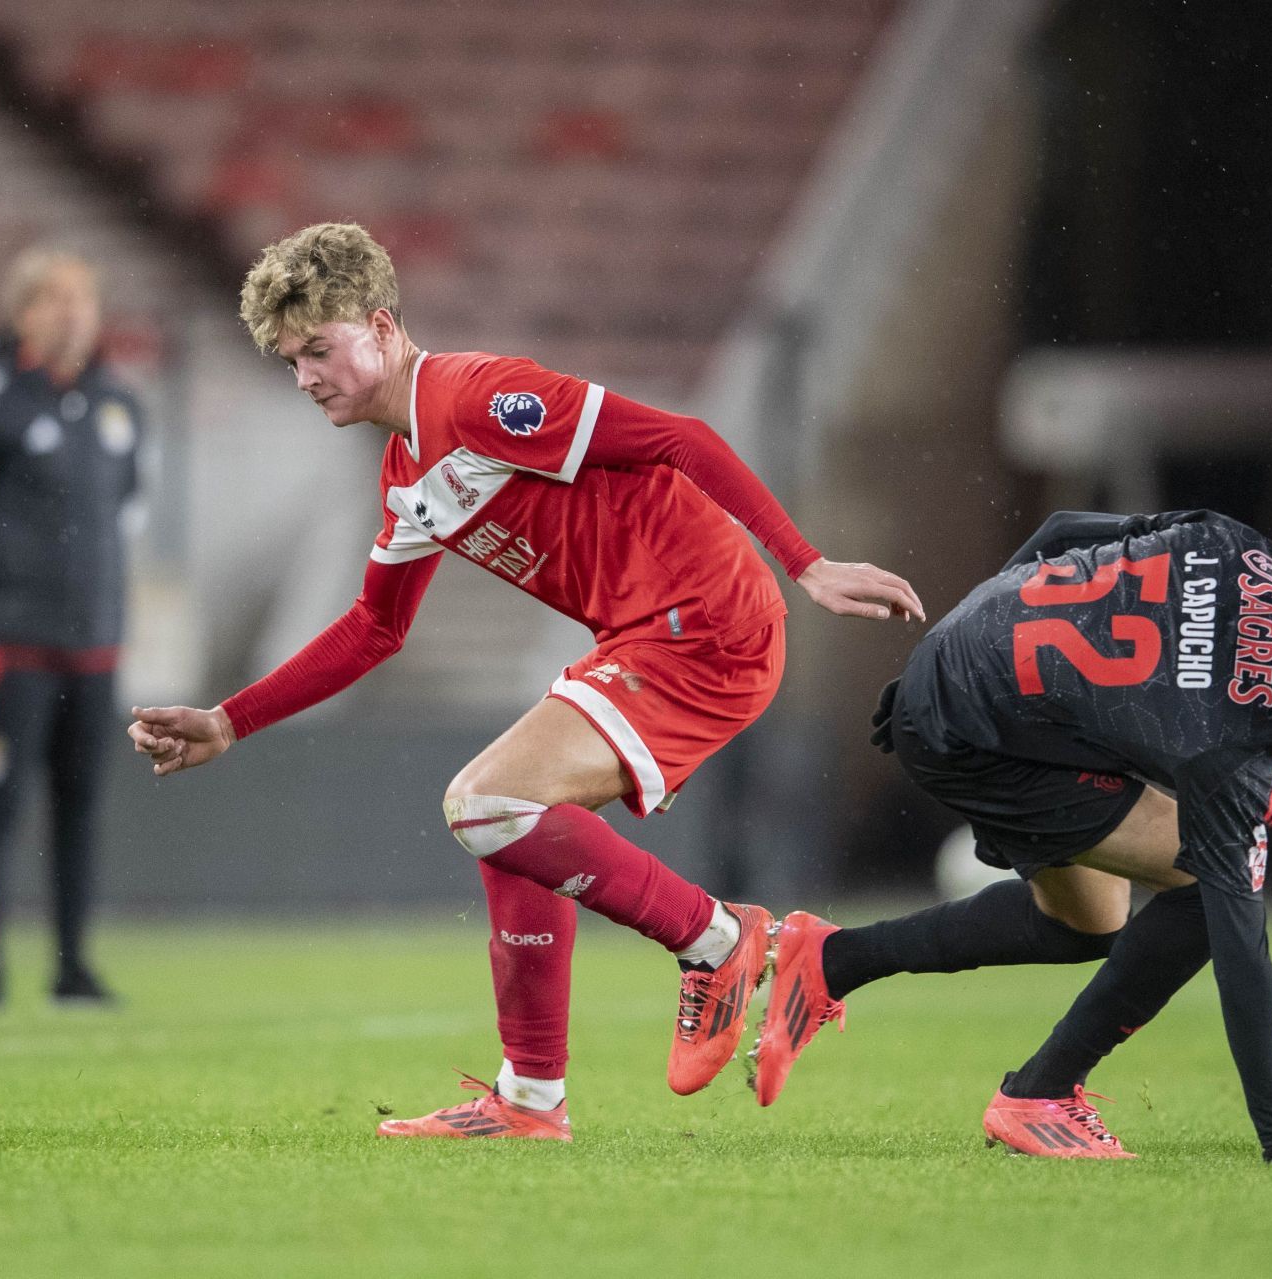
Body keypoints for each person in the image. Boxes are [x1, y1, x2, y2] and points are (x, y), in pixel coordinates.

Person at [127, 222, 922, 1140]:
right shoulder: (407, 467)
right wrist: (230, 721)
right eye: (289, 359)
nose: (305, 376)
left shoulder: (478, 399)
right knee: (508, 822)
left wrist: (805, 561)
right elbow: (376, 627)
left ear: (382, 329)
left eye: (319, 349)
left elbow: (680, 437)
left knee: (482, 800)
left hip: (705, 623)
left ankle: (720, 941)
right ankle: (531, 1100)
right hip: (643, 634)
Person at [752, 509, 1272, 1162]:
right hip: (978, 735)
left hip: (964, 663)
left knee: (1087, 922)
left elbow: (1064, 531)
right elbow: (1242, 954)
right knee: (1199, 885)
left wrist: (973, 635)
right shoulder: (1237, 753)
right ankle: (1040, 1093)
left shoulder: (1248, 553)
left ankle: (829, 959)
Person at [0, 249, 148, 1009]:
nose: (71, 312)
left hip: (95, 647)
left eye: (82, 297)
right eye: (51, 299)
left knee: (79, 808)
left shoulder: (122, 408)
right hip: (13, 647)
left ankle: (71, 965)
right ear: (20, 314)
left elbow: (128, 515)